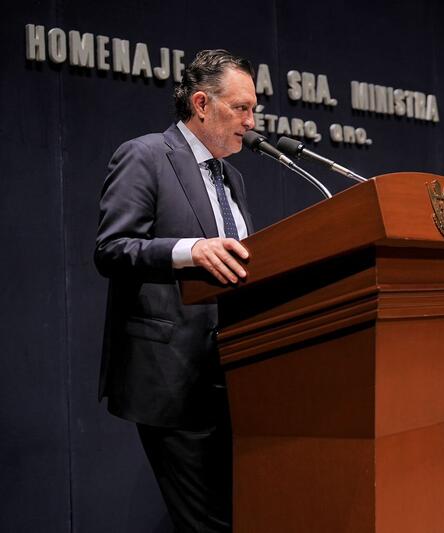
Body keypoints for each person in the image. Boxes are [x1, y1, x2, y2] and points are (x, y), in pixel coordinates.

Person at [94, 49, 257, 532]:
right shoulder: (145, 155)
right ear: (202, 103)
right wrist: (189, 250)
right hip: (171, 372)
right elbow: (112, 248)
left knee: (234, 513)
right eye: (241, 108)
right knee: (205, 524)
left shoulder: (235, 177)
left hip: (234, 370)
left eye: (254, 109)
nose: (251, 121)